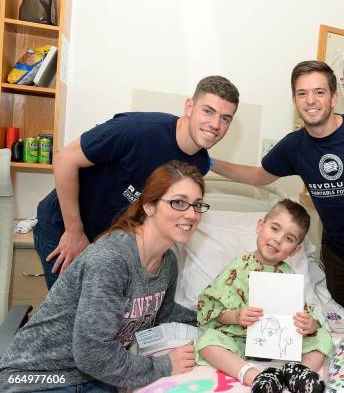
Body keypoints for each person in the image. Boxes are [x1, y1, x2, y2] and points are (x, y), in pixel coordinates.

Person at [211, 61, 344, 340]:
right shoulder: (294, 146)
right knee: (341, 328)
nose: (311, 101)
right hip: (337, 254)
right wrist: (210, 162)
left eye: (319, 92)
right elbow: (259, 176)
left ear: (334, 97)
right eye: (302, 93)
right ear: (294, 100)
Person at [0, 160, 208, 392]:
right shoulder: (112, 259)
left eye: (198, 205)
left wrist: (218, 319)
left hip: (94, 377)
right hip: (39, 377)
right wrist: (165, 366)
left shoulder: (167, 261)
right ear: (149, 206)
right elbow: (93, 354)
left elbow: (164, 312)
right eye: (178, 202)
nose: (191, 214)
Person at [35, 75, 239, 289]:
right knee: (73, 316)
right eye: (208, 111)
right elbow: (64, 160)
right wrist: (74, 232)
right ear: (189, 107)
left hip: (109, 245)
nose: (215, 124)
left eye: (225, 118)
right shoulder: (137, 130)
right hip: (65, 229)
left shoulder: (199, 165)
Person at [196, 199, 333, 393]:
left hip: (282, 344)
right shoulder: (238, 266)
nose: (278, 239)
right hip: (240, 338)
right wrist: (236, 316)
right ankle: (257, 377)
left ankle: (298, 371)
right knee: (207, 342)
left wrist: (308, 325)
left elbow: (302, 316)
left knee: (324, 338)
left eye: (289, 238)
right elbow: (212, 308)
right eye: (275, 229)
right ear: (260, 226)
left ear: (295, 250)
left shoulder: (290, 276)